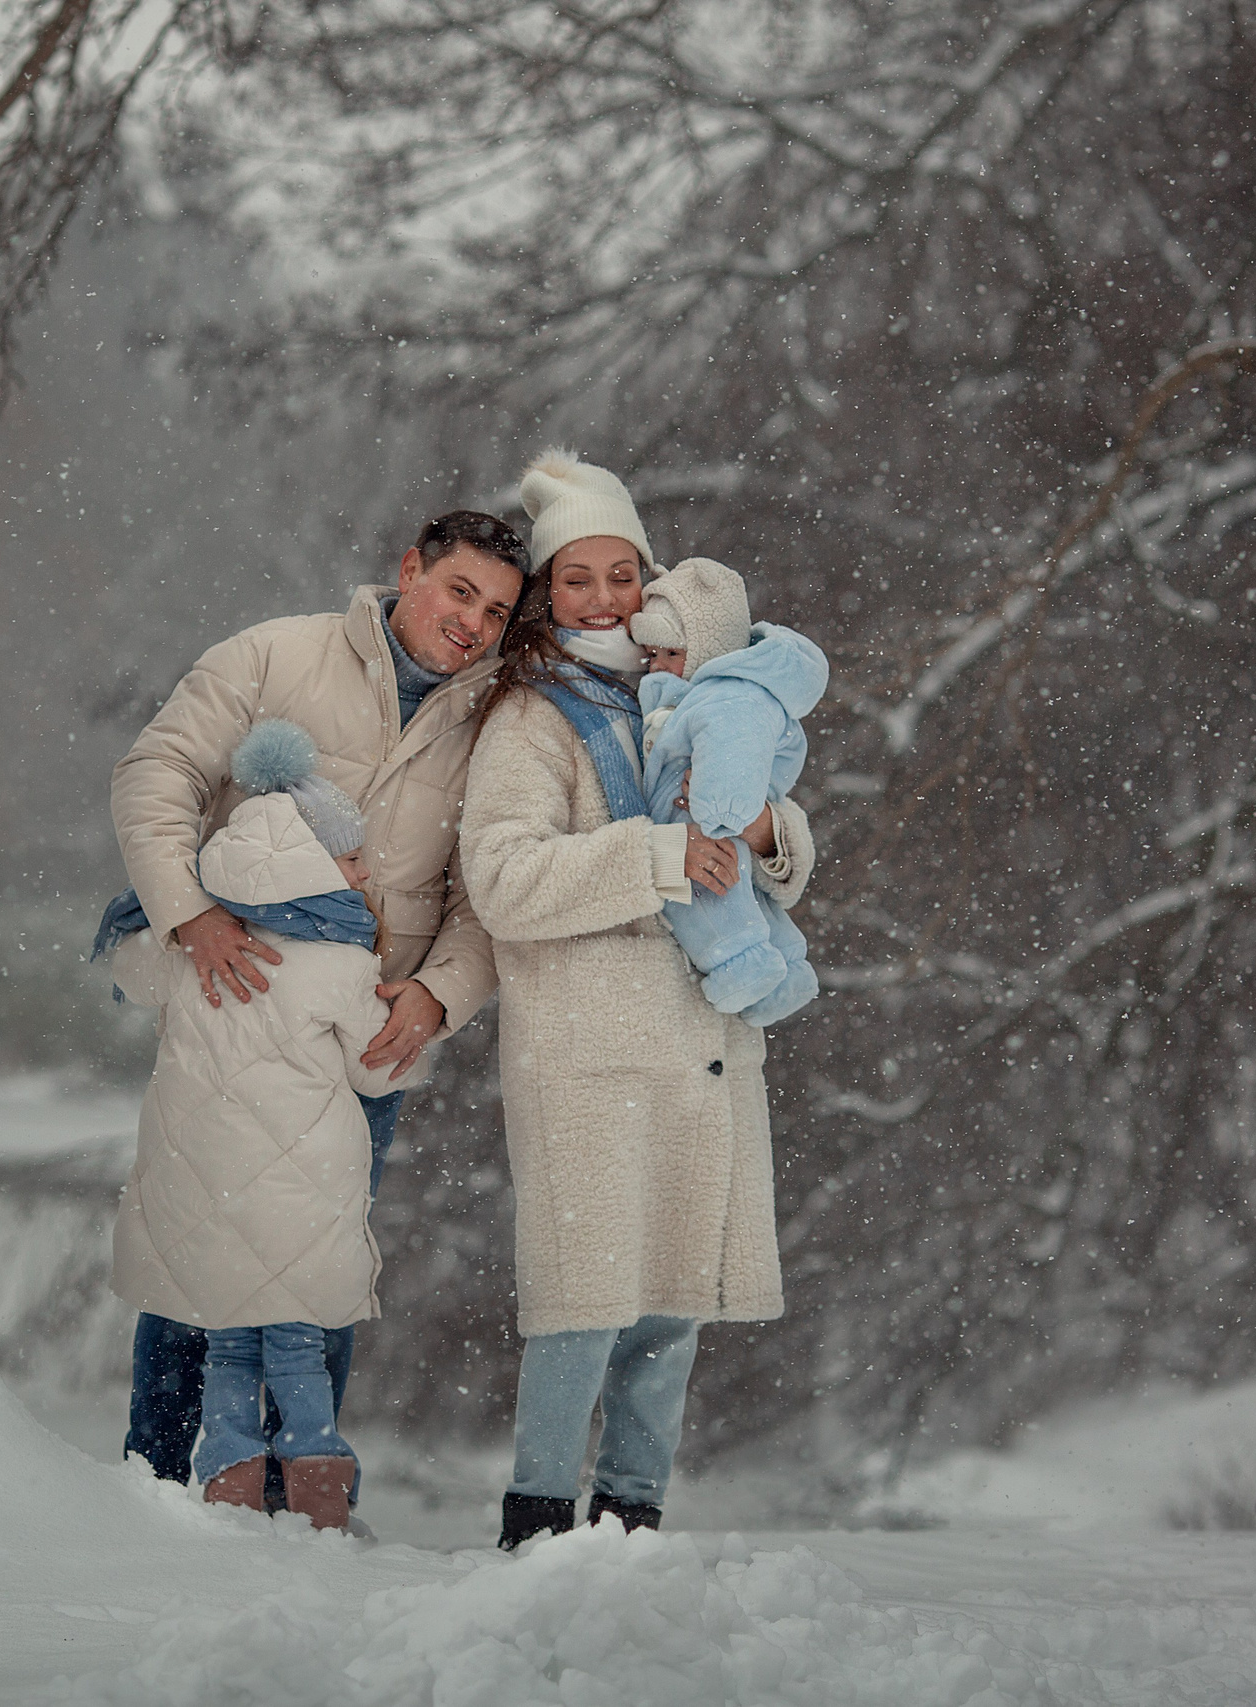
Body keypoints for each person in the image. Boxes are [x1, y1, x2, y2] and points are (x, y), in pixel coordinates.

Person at [107, 512, 527, 1486]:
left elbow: (486, 891)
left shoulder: (497, 722)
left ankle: (293, 1498)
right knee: (196, 1245)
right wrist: (188, 915)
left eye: (498, 612)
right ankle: (156, 1485)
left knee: (321, 1265)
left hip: (365, 1034)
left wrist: (439, 995)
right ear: (410, 571)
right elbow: (156, 774)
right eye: (460, 591)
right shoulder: (276, 656)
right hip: (236, 1017)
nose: (472, 624)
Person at [458, 451, 818, 1550]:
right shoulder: (532, 716)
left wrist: (765, 830)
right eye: (578, 579)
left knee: (672, 1305)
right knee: (585, 1304)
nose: (605, 599)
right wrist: (658, 857)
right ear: (546, 593)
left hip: (699, 1042)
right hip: (589, 1052)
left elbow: (773, 846)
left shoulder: (698, 689)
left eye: (624, 575)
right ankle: (537, 1524)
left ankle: (633, 1520)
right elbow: (503, 879)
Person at [105, 722, 421, 1529]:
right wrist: (411, 1036)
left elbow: (128, 969)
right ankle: (314, 1472)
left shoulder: (191, 949)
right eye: (350, 859)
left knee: (226, 1337)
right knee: (296, 1340)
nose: (363, 872)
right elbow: (377, 1069)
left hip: (202, 1186)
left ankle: (228, 1469)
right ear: (309, 867)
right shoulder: (342, 964)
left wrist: (169, 913)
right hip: (300, 1196)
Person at [631, 556, 825, 1027]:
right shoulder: (699, 696)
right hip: (700, 828)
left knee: (714, 899)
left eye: (671, 653)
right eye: (651, 655)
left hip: (707, 820)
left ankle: (742, 965)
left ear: (708, 649)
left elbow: (732, 739)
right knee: (741, 896)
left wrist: (730, 809)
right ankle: (786, 967)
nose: (658, 667)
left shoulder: (726, 695)